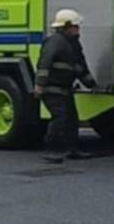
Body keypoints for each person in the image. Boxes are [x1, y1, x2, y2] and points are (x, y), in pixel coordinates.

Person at [37, 9, 97, 163]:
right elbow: (45, 63)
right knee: (59, 118)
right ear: (65, 26)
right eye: (75, 26)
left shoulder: (74, 44)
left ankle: (73, 150)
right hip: (52, 88)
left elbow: (80, 67)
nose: (78, 29)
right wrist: (40, 85)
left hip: (65, 89)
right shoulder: (55, 42)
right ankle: (52, 151)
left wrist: (91, 84)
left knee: (71, 119)